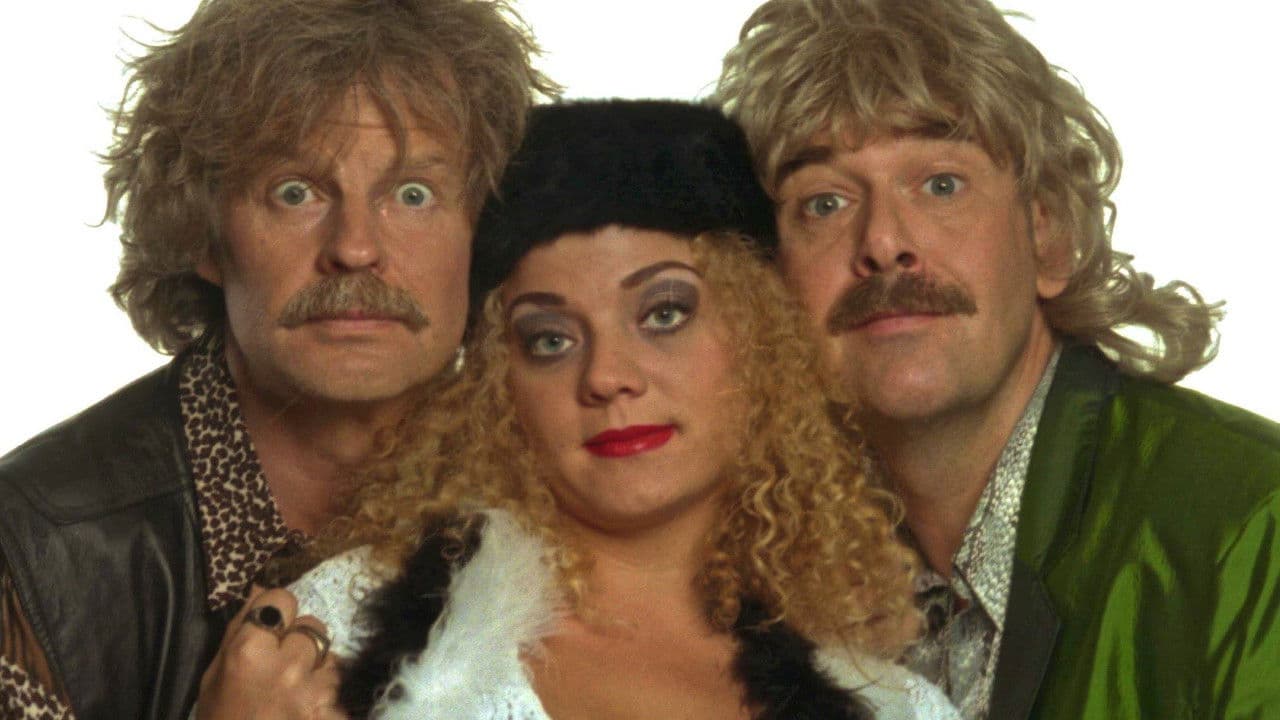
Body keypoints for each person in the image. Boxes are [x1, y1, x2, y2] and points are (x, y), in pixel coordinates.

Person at [219, 100, 962, 719]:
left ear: (761, 339)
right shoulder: (346, 630)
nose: (606, 377)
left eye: (664, 314)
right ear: (498, 386)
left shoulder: (895, 707)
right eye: (550, 339)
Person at [712, 1, 1280, 718]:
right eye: (825, 203)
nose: (883, 241)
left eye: (941, 184)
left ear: (1048, 236)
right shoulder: (759, 576)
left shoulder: (1254, 521)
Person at [0, 1, 555, 717]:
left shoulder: (563, 481)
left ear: (486, 235)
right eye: (296, 192)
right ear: (204, 232)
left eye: (413, 194)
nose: (355, 247)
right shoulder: (35, 550)